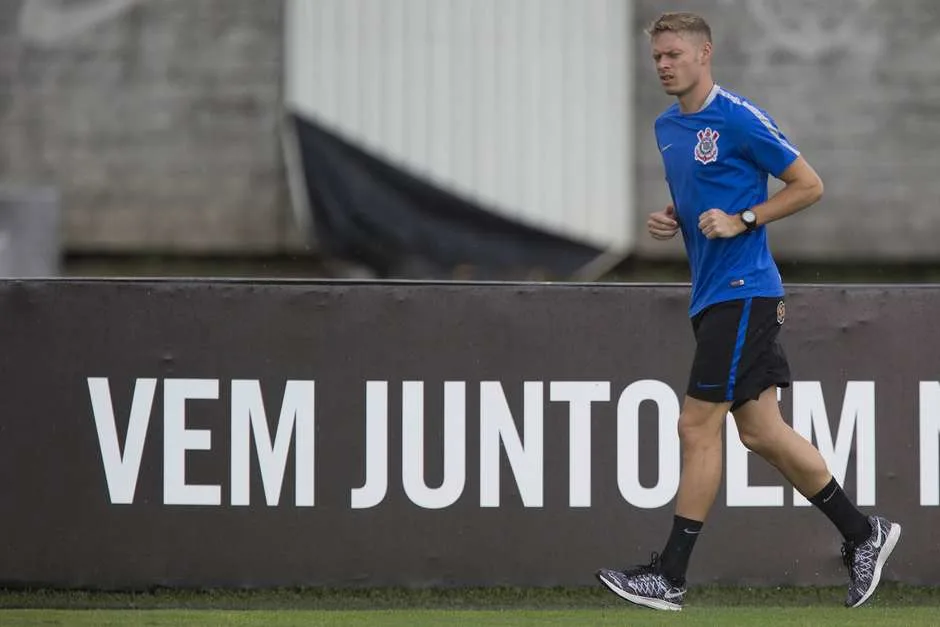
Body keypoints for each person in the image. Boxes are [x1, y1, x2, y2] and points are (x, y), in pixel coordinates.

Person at [595, 11, 900, 611]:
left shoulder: (737, 116)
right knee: (762, 432)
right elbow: (703, 193)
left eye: (674, 54)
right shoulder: (666, 127)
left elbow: (808, 184)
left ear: (704, 54)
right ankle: (865, 535)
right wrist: (673, 216)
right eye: (657, 56)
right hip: (713, 295)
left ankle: (671, 577)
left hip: (744, 290)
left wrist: (746, 218)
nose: (663, 64)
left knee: (694, 426)